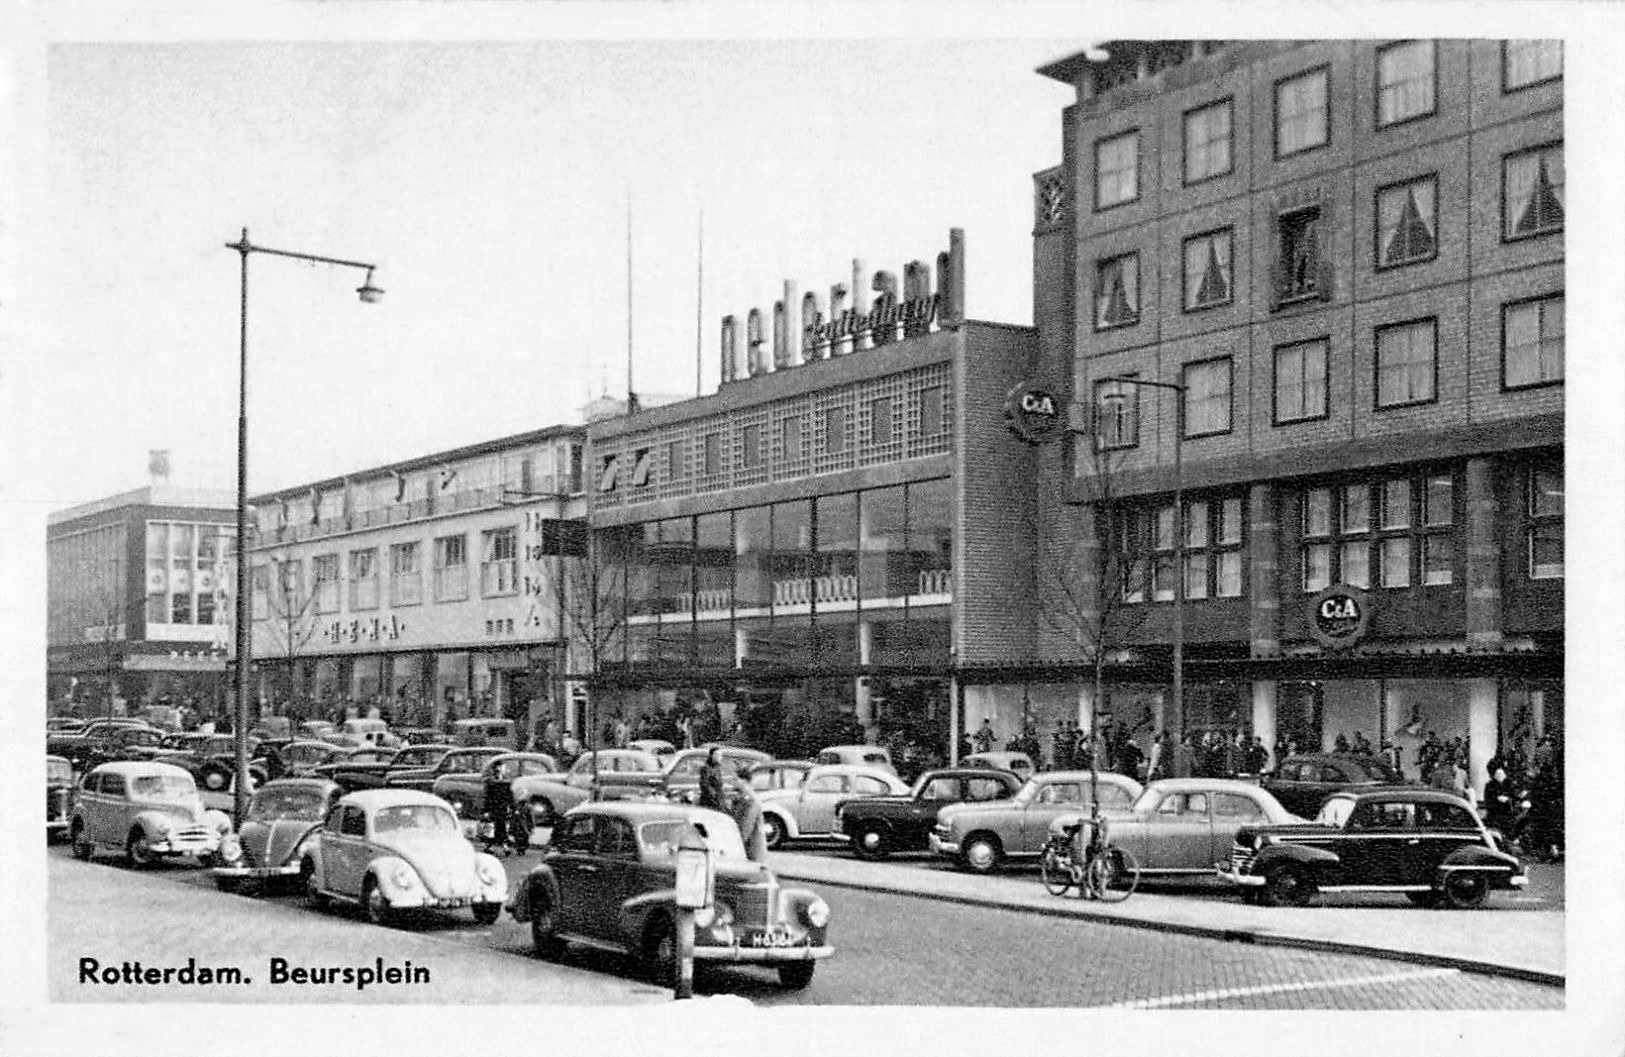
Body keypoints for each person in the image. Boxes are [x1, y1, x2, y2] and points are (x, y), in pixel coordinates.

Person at [726, 779, 769, 864]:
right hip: (746, 851)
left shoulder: (751, 801)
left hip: (752, 852)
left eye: (735, 779)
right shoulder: (740, 799)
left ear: (744, 781)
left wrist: (736, 845)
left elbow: (746, 827)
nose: (732, 783)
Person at [697, 747, 726, 812]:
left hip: (718, 801)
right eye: (717, 755)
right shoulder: (706, 768)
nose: (720, 757)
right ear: (711, 756)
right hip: (710, 803)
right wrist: (715, 798)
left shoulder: (718, 768)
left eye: (720, 755)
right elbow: (705, 785)